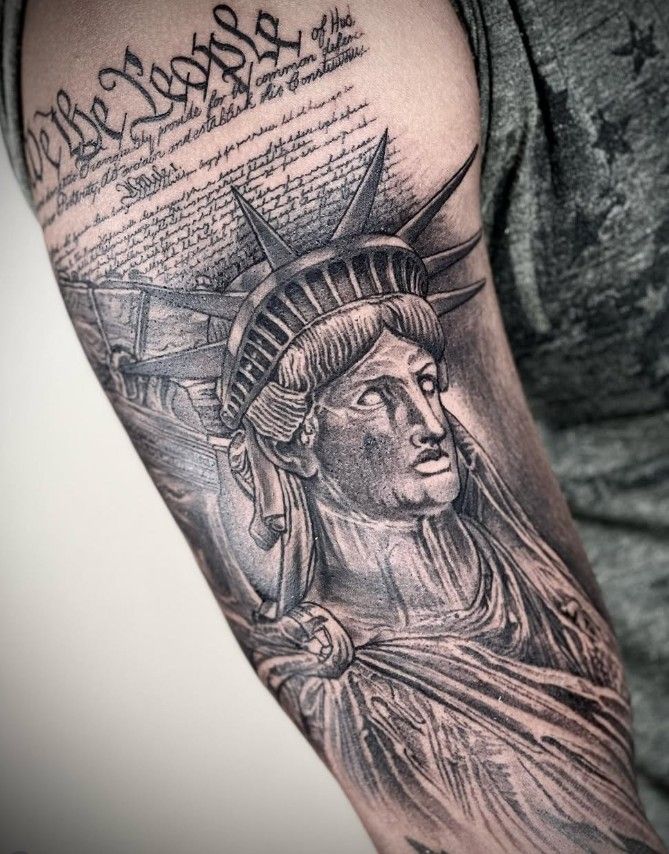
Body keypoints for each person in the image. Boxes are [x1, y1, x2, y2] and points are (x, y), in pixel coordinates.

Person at [2, 0, 667, 849]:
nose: (428, 419)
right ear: (297, 438)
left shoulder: (518, 592)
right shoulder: (368, 672)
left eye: (424, 382)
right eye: (372, 397)